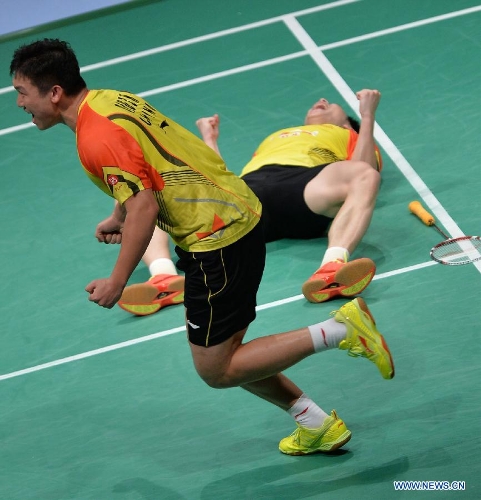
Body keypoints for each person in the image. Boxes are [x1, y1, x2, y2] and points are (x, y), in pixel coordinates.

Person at [10, 38, 395, 456]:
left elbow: (143, 206)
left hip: (217, 239)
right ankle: (315, 423)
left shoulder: (95, 136)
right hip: (234, 210)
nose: (18, 103)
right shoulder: (109, 100)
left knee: (217, 368)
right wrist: (117, 216)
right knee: (228, 354)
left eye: (21, 92)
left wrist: (117, 281)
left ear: (53, 92)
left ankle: (340, 330)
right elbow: (150, 166)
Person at [119, 89, 382, 315]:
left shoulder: (350, 136)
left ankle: (332, 268)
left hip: (306, 185)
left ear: (347, 123)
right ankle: (163, 277)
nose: (322, 99)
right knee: (155, 187)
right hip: (248, 195)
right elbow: (216, 177)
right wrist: (210, 141)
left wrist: (367, 116)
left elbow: (363, 166)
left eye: (332, 105)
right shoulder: (276, 136)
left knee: (365, 175)